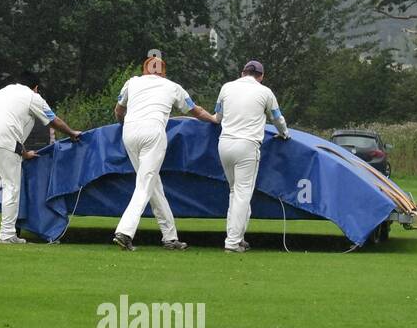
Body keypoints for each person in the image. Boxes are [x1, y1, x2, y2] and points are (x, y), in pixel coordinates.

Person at [0, 71, 82, 244]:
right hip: (6, 142)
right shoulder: (32, 97)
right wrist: (72, 133)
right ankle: (7, 235)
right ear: (35, 88)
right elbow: (53, 120)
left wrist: (24, 153)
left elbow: (6, 124)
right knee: (11, 187)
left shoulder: (3, 92)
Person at [112, 53, 218, 251]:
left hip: (129, 132)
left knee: (153, 184)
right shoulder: (172, 86)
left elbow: (118, 111)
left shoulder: (132, 83)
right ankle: (125, 232)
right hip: (153, 132)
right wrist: (214, 120)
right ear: (164, 73)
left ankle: (170, 236)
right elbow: (195, 110)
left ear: (144, 70)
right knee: (145, 184)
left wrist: (123, 125)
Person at [213, 60, 290, 253]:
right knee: (242, 193)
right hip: (247, 145)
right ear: (261, 76)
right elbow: (278, 119)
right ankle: (232, 242)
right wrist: (284, 134)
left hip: (224, 144)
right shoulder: (265, 92)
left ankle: (237, 237)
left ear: (242, 73)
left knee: (234, 192)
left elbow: (218, 116)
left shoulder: (226, 87)